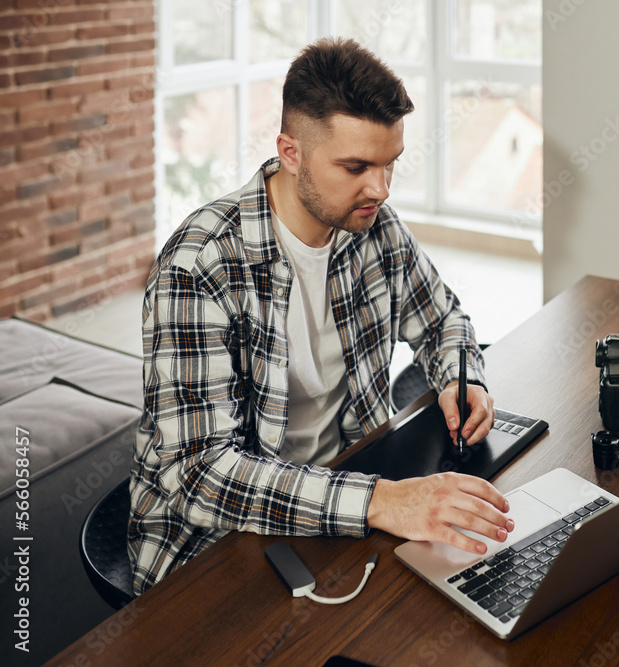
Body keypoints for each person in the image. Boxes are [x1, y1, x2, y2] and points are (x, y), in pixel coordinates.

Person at [128, 38, 513, 595]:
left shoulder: (371, 222)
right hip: (215, 549)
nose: (379, 189)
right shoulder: (199, 268)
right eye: (356, 166)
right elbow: (202, 477)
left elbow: (442, 319)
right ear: (290, 152)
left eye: (390, 165)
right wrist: (385, 501)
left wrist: (463, 376)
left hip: (347, 499)